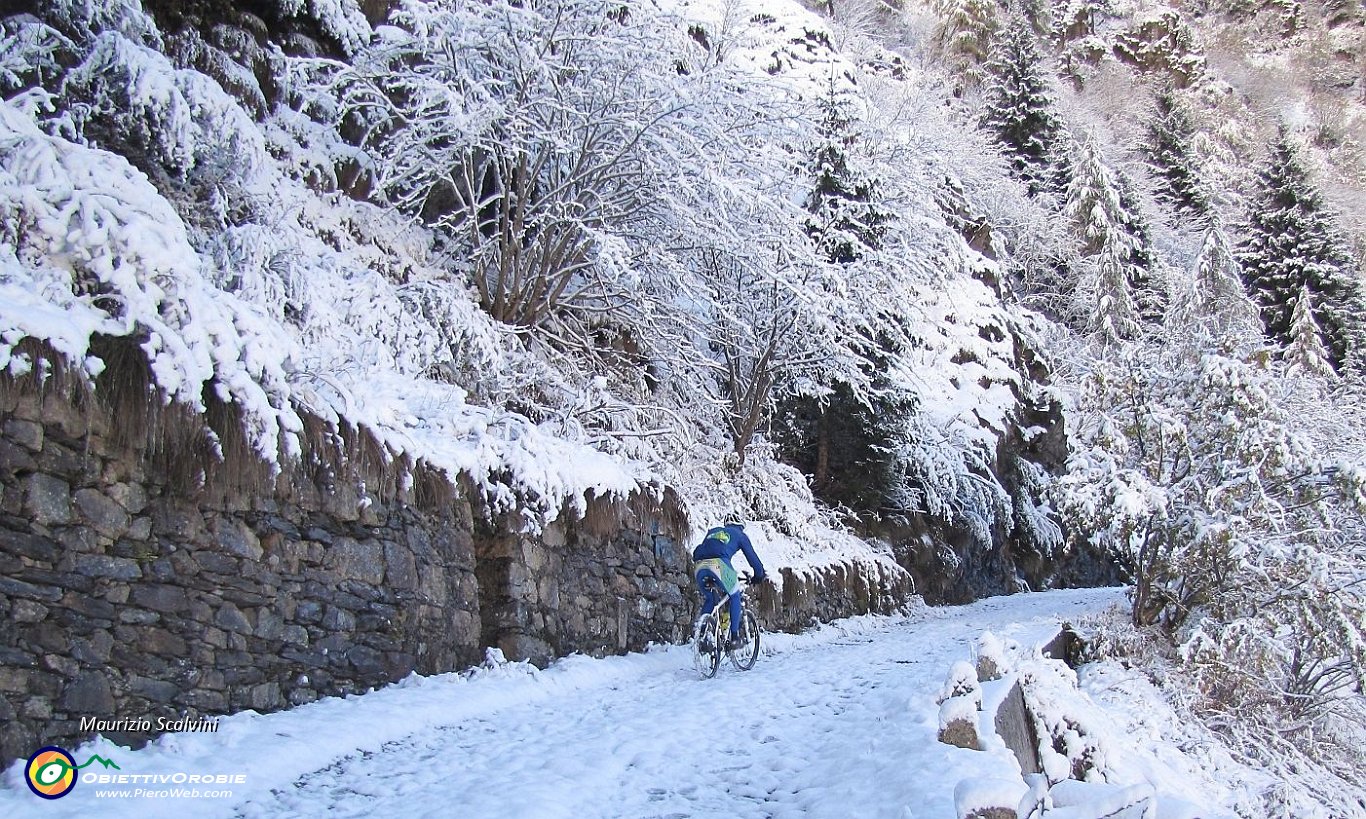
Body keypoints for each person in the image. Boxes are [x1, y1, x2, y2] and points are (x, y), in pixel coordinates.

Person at [692, 520, 768, 648]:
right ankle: (734, 637)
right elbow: (753, 559)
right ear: (741, 526)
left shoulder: (714, 531)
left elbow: (708, 549)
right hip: (719, 566)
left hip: (700, 566)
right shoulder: (740, 535)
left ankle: (701, 635)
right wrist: (759, 575)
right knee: (734, 595)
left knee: (711, 599)